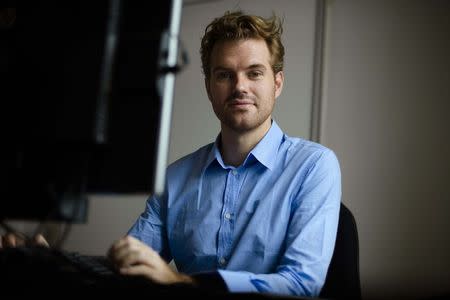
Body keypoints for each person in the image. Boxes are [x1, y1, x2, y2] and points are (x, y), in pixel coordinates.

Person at [1, 10, 341, 297]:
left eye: (254, 73)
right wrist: (54, 261)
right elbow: (128, 264)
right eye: (225, 75)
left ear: (277, 83)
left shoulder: (313, 166)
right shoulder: (176, 177)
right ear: (209, 86)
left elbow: (300, 284)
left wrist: (183, 282)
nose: (240, 86)